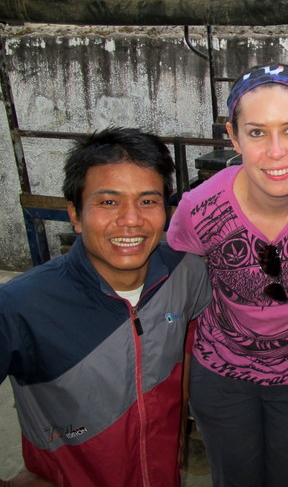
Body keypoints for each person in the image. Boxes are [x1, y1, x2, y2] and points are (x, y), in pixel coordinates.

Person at [166, 63, 288, 486]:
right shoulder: (198, 210)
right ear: (232, 136)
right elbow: (173, 294)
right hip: (221, 376)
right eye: (256, 132)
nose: (276, 151)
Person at [0, 127, 212, 487]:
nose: (131, 219)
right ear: (75, 215)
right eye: (108, 202)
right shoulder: (21, 304)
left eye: (148, 201)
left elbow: (188, 345)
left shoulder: (186, 272)